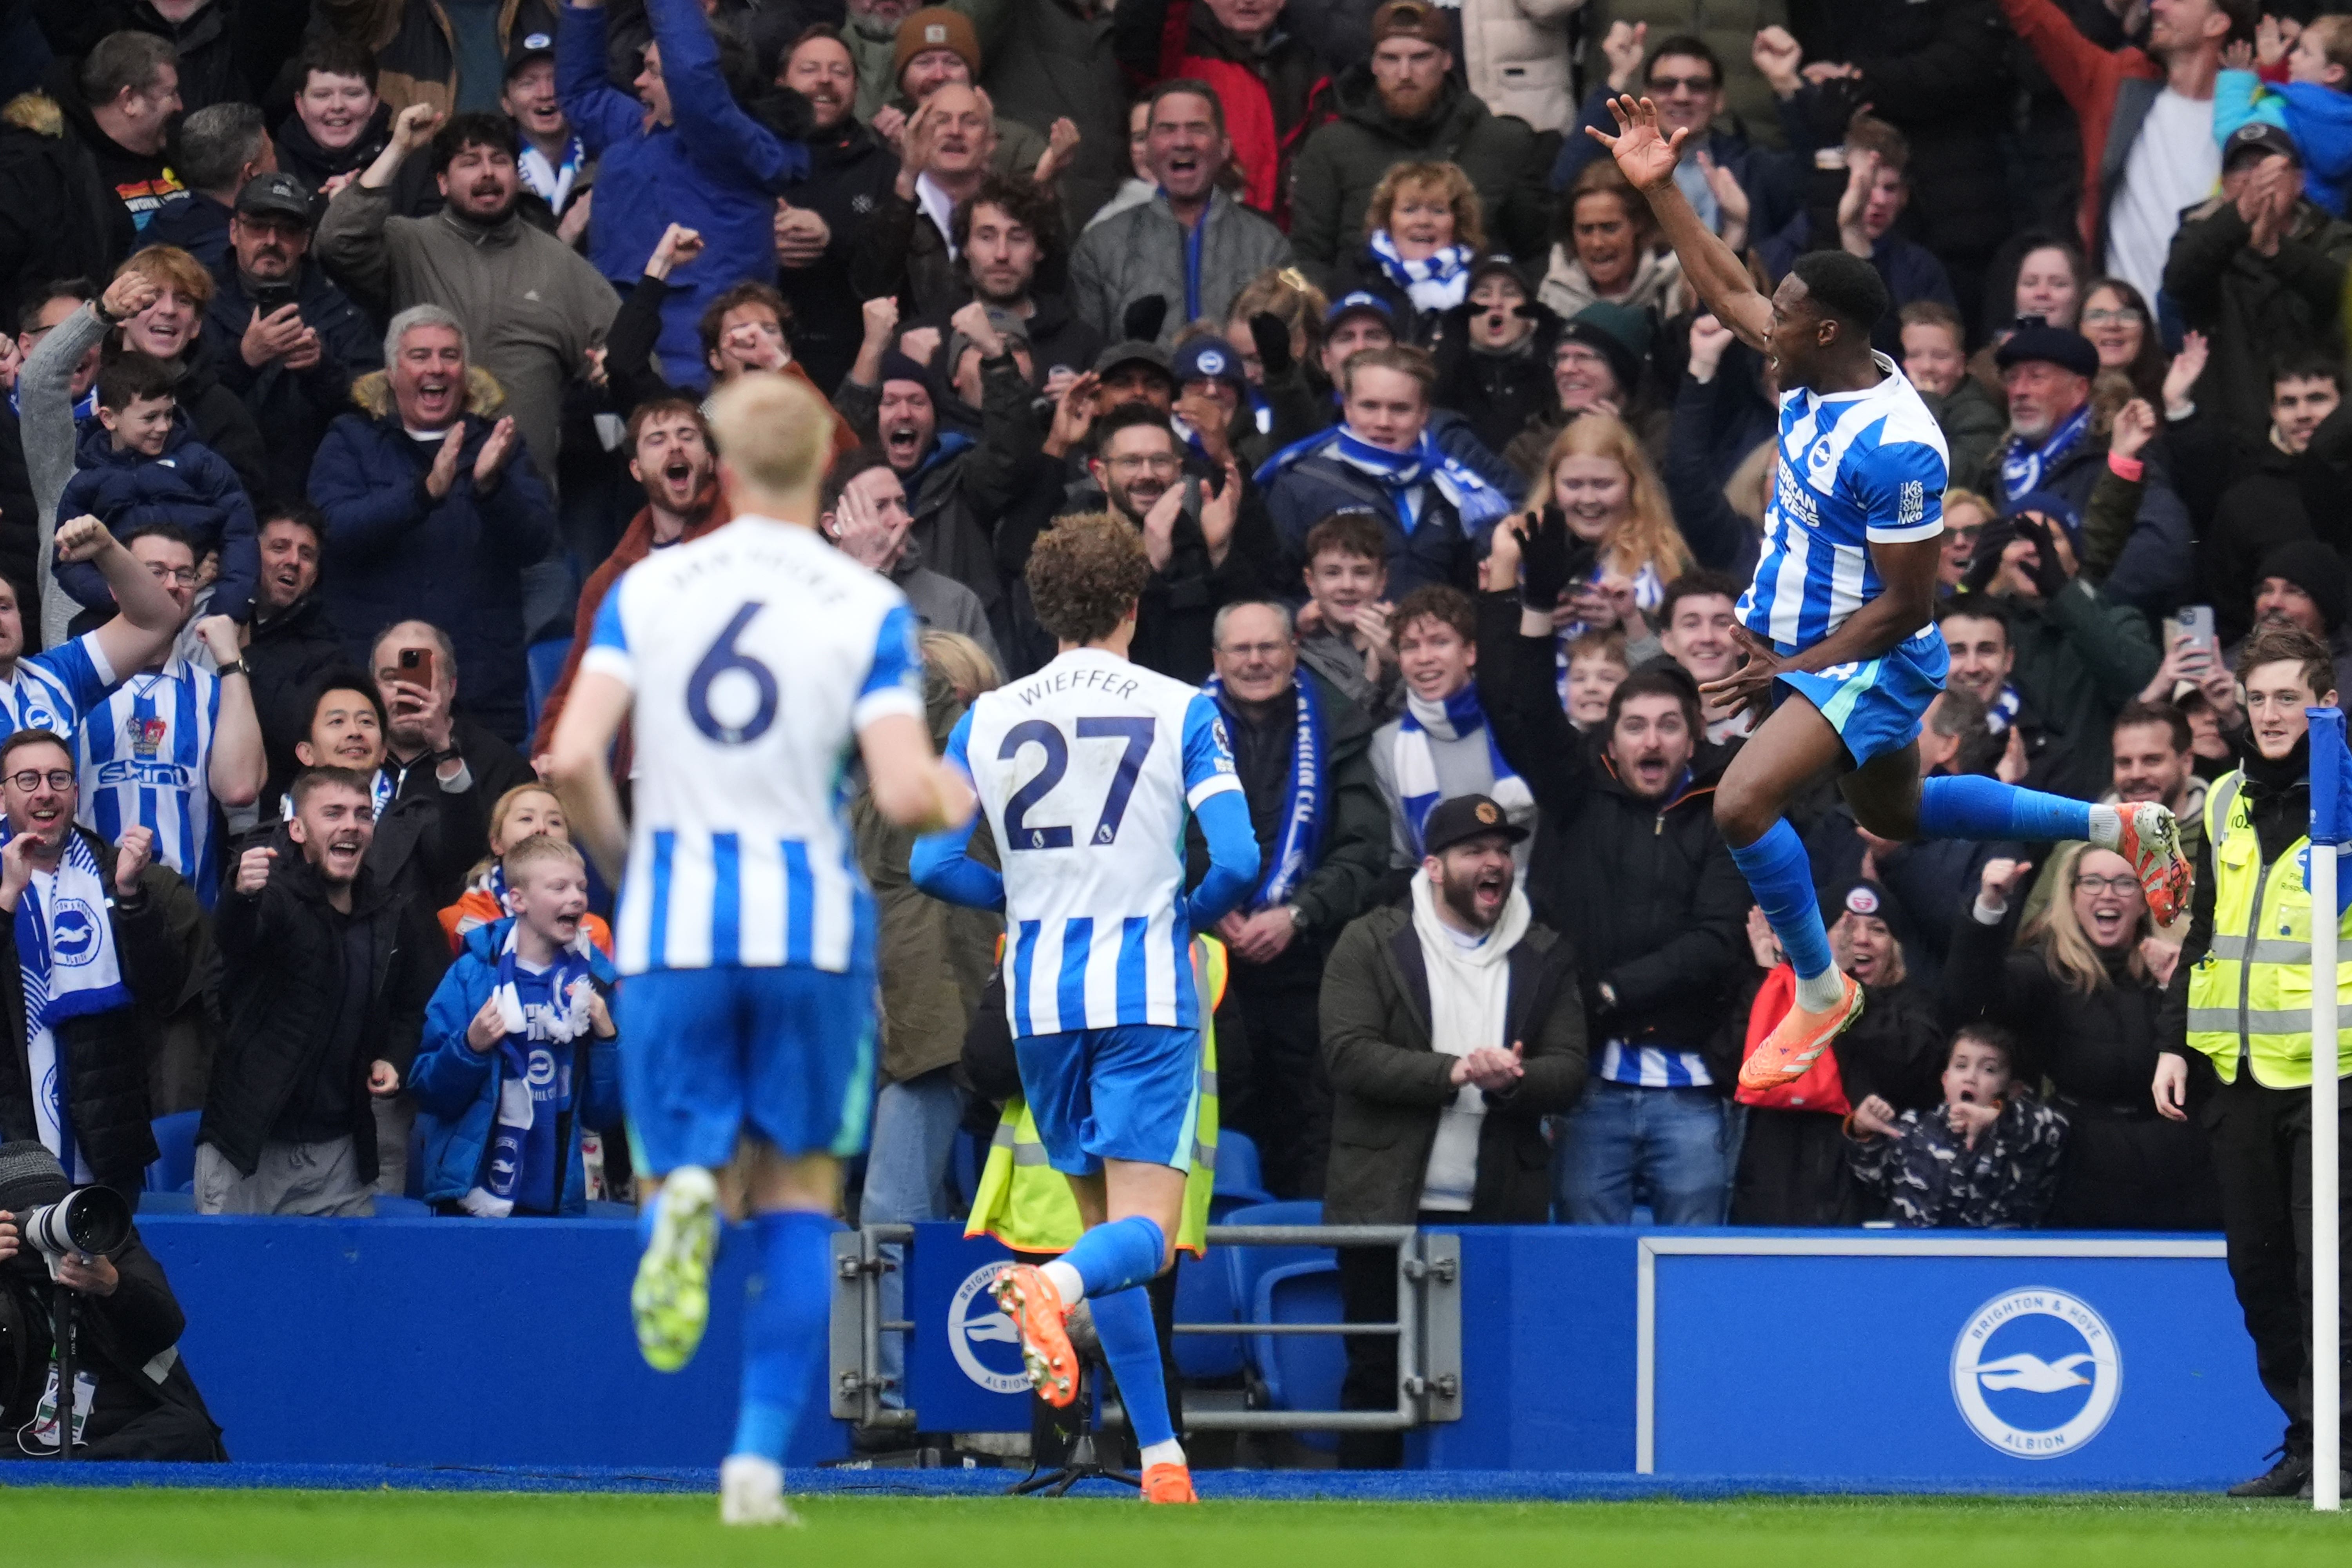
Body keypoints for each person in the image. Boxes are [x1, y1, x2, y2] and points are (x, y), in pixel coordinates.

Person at [1587, 94, 2194, 1089]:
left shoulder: (1903, 445)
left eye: (1781, 313)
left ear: (1825, 327)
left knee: (1739, 806)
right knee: (1902, 814)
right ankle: (2118, 824)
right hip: (1817, 648)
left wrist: (1788, 667)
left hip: (1866, 655)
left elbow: (1909, 607)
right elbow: (1724, 291)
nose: (1762, 320)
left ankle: (1820, 989)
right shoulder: (1813, 367)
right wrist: (1662, 193)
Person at [547, 372, 974, 1526]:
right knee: (798, 1198)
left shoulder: (652, 587)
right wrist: (958, 786)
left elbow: (573, 759)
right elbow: (900, 785)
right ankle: (751, 1464)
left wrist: (636, 872)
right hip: (810, 936)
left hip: (677, 924)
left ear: (723, 468)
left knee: (689, 1158)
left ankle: (682, 1193)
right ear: (820, 476)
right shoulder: (864, 610)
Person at [909, 510, 1258, 1508]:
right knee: (1140, 1235)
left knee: (1107, 1228)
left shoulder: (987, 717)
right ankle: (1049, 1288)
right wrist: (1181, 915)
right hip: (1143, 988)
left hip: (1038, 1004)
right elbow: (1236, 858)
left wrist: (1018, 899)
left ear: (1040, 605)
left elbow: (932, 862)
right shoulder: (1181, 707)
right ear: (1134, 606)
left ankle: (1160, 1459)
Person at [1476, 529, 1749, 1222]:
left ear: (1693, 738)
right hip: (1588, 1087)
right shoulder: (1577, 795)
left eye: (1666, 727)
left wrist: (1607, 989)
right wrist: (1532, 607)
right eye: (1634, 727)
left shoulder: (1726, 808)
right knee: (1590, 1277)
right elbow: (1525, 709)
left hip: (1692, 1091)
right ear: (1611, 737)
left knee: (1694, 1281)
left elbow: (1715, 940)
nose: (1651, 741)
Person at [1317, 791, 1585, 1467]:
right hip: (1384, 1201)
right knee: (1377, 1379)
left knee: (1493, 1381)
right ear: (1435, 867)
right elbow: (1346, 1055)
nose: (1494, 863)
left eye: (1503, 852)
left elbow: (1571, 1069)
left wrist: (1513, 1078)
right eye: (1475, 853)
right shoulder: (1371, 940)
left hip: (1498, 1204)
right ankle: (1363, 1530)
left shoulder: (1547, 951)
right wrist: (1457, 1071)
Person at [2151, 621, 2352, 1498]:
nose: (2270, 713)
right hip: (2232, 1070)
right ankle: (2309, 1440)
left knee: (2328, 1272)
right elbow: (2203, 932)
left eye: (2289, 697)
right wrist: (2172, 1043)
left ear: (2326, 704)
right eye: (2258, 696)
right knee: (2258, 1268)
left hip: (2331, 1069)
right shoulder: (2226, 797)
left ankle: (2342, 1448)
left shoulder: (2349, 798)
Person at [316, 105, 619, 477]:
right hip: (421, 493)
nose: (488, 173)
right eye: (470, 162)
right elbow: (337, 242)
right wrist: (399, 149)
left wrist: (611, 369)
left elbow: (626, 352)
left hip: (526, 499)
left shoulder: (558, 262)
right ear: (442, 182)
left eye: (500, 160)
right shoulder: (408, 243)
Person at [307, 305, 559, 745]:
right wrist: (422, 494)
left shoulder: (499, 444)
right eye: (420, 355)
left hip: (479, 689)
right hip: (369, 691)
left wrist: (490, 488)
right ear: (391, 371)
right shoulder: (351, 438)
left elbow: (538, 542)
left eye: (450, 356)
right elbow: (332, 529)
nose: (436, 368)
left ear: (466, 370)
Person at [1204, 599, 1388, 1198]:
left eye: (1269, 648)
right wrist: (1204, 900)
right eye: (1242, 649)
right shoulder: (1179, 726)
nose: (1256, 661)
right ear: (1218, 659)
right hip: (1206, 970)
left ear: (1293, 652)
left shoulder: (1340, 725)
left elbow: (1364, 851)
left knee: (1307, 1127)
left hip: (1308, 966)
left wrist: (1299, 912)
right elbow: (1156, 835)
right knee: (1219, 1122)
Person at [1949, 846, 2217, 1231]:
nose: (2107, 894)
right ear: (2072, 897)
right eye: (2093, 882)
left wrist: (2185, 989)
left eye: (2125, 883)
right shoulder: (2045, 969)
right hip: (2078, 1171)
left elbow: (2216, 1068)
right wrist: (1989, 907)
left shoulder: (2182, 964)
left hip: (2179, 1170)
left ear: (2145, 901)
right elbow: (1972, 1003)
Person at [557, 0, 809, 391]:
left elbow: (693, 76)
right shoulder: (639, 133)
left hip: (703, 376)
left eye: (655, 72)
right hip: (619, 360)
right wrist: (585, 9)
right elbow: (582, 94)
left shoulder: (732, 149)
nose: (639, 83)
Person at [0, 727, 194, 1202]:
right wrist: (7, 899)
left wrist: (132, 897)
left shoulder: (112, 869)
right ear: (2, 794)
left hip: (106, 1140)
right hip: (14, 1133)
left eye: (58, 778)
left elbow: (164, 989)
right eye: (27, 779)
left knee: (108, 1277)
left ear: (76, 792)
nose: (45, 791)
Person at [411, 832, 622, 1216]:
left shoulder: (597, 985)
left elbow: (603, 1116)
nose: (576, 897)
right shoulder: (472, 974)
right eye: (559, 887)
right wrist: (469, 1047)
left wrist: (608, 1041)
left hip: (555, 1199)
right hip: (470, 1198)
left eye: (582, 887)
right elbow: (429, 1091)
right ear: (519, 900)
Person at [1995, 0, 2240, 309]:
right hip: (2123, 333)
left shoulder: (2258, 114)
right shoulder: (2116, 86)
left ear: (2216, 24)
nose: (2158, 6)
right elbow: (2039, 21)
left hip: (2220, 333)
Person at [1287, 1, 1547, 290]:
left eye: (1420, 57)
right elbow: (1309, 259)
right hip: (1367, 322)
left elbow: (1536, 255)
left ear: (1448, 60)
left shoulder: (1503, 142)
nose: (1405, 73)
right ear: (1373, 64)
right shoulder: (1331, 148)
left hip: (1477, 321)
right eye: (1390, 59)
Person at [529, 399, 728, 769]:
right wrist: (549, 752)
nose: (675, 446)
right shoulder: (610, 583)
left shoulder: (745, 543)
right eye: (657, 440)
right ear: (636, 469)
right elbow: (580, 683)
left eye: (687, 436)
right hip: (643, 781)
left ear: (711, 460)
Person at [74, 525, 265, 908]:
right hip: (89, 909)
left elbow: (241, 789)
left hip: (188, 913)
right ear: (117, 586)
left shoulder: (215, 689)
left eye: (185, 574)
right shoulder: (74, 681)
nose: (173, 585)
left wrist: (231, 663)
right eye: (154, 572)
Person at [0, 1140, 226, 1460]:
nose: (45, 1234)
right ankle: (78, 1476)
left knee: (188, 1431)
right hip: (27, 1430)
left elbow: (167, 1327)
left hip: (122, 1422)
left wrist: (114, 1286)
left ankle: (70, 1476)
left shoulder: (108, 1241)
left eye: (52, 1213)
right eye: (29, 1220)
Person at [1259, 345, 1515, 599]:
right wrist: (1303, 616)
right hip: (1334, 639)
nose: (1384, 422)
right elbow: (1269, 588)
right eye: (1369, 406)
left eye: (1400, 409)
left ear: (1424, 413)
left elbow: (1474, 588)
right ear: (1347, 408)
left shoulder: (1455, 489)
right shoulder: (1302, 485)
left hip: (1428, 638)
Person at [2165, 122, 2352, 452]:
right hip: (2227, 432)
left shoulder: (2332, 235)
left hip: (2318, 433)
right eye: (2242, 170)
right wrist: (2238, 219)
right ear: (2223, 185)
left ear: (2299, 181)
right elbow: (2179, 282)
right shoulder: (2197, 234)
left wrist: (2276, 250)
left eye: (2269, 169)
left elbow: (2340, 293)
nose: (2255, 180)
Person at [1068, 81, 1294, 347]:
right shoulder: (1100, 247)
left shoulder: (1268, 246)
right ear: (1148, 150)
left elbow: (1285, 360)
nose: (1183, 142)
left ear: (1224, 147)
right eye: (1167, 130)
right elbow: (1089, 363)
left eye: (1197, 129)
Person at [205, 171, 383, 509]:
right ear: (234, 232)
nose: (271, 240)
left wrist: (321, 370)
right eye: (258, 226)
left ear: (305, 241)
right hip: (222, 492)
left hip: (313, 497)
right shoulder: (197, 301)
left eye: (287, 230)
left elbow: (375, 404)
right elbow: (178, 403)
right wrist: (244, 360)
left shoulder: (341, 309)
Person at [54, 354, 258, 626]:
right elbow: (69, 563)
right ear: (109, 418)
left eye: (169, 414)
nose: (163, 427)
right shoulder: (85, 485)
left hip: (202, 601)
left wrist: (230, 607)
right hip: (124, 613)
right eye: (150, 418)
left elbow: (240, 532)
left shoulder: (200, 462)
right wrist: (117, 596)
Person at [776, 25, 912, 395]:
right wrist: (763, 242)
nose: (825, 80)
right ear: (780, 82)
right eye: (809, 70)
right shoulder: (753, 161)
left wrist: (831, 237)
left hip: (857, 364)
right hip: (764, 360)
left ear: (856, 86)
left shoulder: (883, 168)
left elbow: (891, 276)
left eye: (839, 72)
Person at [1110, 0, 1328, 221]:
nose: (1247, 1)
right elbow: (1140, 22)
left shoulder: (1308, 68)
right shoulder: (1174, 49)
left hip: (1274, 240)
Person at [1845, 1021, 2069, 1228]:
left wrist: (1995, 1118)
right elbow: (1876, 1180)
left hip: (1992, 1263)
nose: (1971, 1077)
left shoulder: (2020, 1136)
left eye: (1989, 1069)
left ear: (2013, 1090)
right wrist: (1864, 1133)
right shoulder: (1915, 1127)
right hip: (1917, 1259)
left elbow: (2054, 1130)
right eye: (1961, 1066)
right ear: (1945, 1080)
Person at [822, 445, 1001, 666]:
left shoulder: (955, 601)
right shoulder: (804, 598)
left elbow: (989, 691)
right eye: (880, 507)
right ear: (834, 526)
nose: (900, 519)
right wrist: (870, 573)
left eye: (901, 503)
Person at [2206, 356, 2342, 641]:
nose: (2303, 414)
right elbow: (2229, 610)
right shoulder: (2244, 501)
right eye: (2289, 403)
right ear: (2273, 411)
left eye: (2317, 399)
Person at [240, 506, 344, 810]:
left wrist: (244, 658)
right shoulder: (205, 614)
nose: (293, 562)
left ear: (314, 576)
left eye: (307, 555)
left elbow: (298, 731)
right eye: (279, 548)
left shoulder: (327, 651)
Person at [370, 621, 535, 811]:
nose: (407, 693)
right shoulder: (352, 754)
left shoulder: (502, 770)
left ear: (452, 687)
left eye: (421, 678)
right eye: (391, 678)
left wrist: (446, 753)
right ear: (373, 687)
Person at [438, 781, 613, 954]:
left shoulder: (594, 933)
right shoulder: (456, 922)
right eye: (526, 819)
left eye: (555, 822)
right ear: (496, 842)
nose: (541, 829)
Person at [1326, 160, 1485, 341]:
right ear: (1388, 220)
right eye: (1410, 210)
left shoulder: (1481, 282)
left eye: (1438, 211)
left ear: (1458, 221)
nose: (1424, 221)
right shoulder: (1354, 280)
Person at [1537, 161, 1689, 325]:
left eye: (1609, 228)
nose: (1597, 243)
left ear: (1639, 223)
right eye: (1586, 230)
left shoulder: (1675, 284)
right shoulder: (1554, 295)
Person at [1293, 509, 1402, 720]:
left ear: (1382, 582)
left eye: (1361, 573)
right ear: (1311, 582)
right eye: (1333, 573)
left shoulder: (1418, 646)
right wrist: (1371, 679)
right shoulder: (1298, 660)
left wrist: (1399, 665)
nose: (1348, 586)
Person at [144, 102, 274, 273]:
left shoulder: (167, 218)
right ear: (251, 173)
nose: (277, 163)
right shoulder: (237, 256)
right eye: (273, 155)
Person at [1898, 301, 2003, 490]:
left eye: (1940, 356)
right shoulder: (1887, 403)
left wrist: (1926, 407)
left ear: (1961, 364)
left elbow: (1960, 480)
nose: (1927, 367)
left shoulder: (1981, 415)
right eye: (1915, 355)